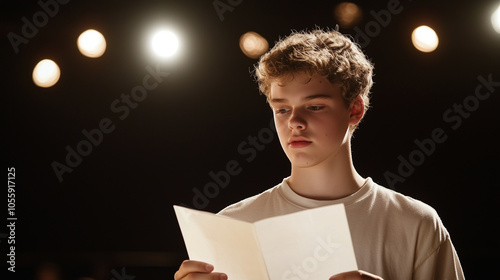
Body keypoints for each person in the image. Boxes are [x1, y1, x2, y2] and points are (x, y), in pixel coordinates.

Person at [174, 29, 465, 280]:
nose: (294, 122)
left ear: (354, 110)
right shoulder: (233, 227)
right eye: (282, 109)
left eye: (314, 106)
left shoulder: (414, 224)